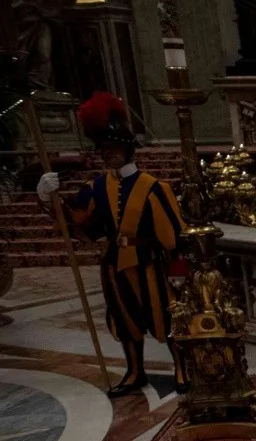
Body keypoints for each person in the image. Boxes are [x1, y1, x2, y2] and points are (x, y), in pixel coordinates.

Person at [37, 91, 187, 397]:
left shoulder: (153, 188)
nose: (110, 154)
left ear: (128, 148)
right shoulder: (96, 187)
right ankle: (135, 371)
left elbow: (173, 233)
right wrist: (47, 198)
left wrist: (178, 270)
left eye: (115, 148)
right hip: (114, 264)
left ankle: (182, 368)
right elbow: (77, 219)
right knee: (123, 318)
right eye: (105, 149)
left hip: (149, 263)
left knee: (167, 316)